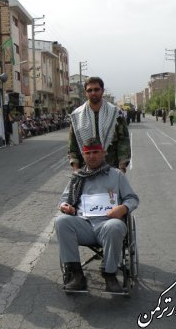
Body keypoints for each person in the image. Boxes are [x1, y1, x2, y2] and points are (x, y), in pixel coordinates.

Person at [56, 137, 139, 293]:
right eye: (88, 153)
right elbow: (64, 199)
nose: (92, 156)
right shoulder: (77, 177)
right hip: (83, 224)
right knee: (61, 221)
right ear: (83, 155)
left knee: (115, 226)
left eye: (95, 152)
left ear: (103, 153)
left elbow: (132, 198)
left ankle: (109, 275)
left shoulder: (116, 175)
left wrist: (123, 208)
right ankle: (77, 276)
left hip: (107, 224)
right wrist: (64, 206)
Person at [68, 77, 130, 173]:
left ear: (102, 91)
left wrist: (121, 168)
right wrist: (76, 170)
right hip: (85, 171)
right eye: (90, 90)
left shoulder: (115, 113)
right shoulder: (77, 116)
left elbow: (124, 141)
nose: (93, 92)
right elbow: (73, 145)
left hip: (111, 169)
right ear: (86, 92)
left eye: (96, 89)